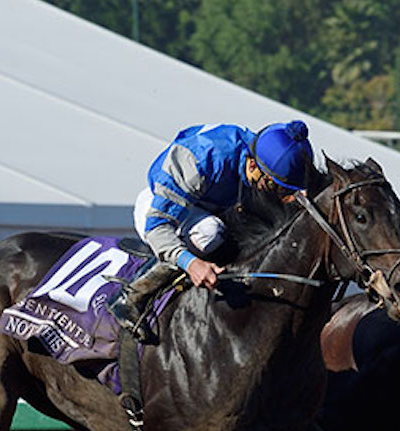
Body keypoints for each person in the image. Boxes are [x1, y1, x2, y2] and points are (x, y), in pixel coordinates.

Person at [109, 120, 316, 338]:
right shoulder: (202, 157)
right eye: (275, 186)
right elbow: (157, 228)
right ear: (253, 166)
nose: (279, 194)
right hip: (161, 210)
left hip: (211, 208)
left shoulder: (266, 157)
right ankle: (130, 296)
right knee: (210, 232)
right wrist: (192, 264)